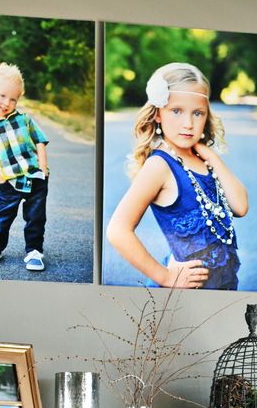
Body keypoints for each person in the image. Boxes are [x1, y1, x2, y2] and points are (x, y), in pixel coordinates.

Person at [106, 62, 248, 290]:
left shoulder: (203, 159)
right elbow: (117, 230)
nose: (188, 124)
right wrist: (165, 276)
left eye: (198, 113)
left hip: (223, 285)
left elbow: (240, 206)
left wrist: (212, 156)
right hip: (187, 293)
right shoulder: (160, 165)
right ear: (158, 114)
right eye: (176, 111)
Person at [0, 62, 50, 272]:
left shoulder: (24, 119)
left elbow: (40, 140)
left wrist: (43, 167)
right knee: (4, 214)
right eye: (2, 96)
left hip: (35, 177)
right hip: (9, 179)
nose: (7, 103)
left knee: (35, 217)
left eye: (13, 99)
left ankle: (34, 251)